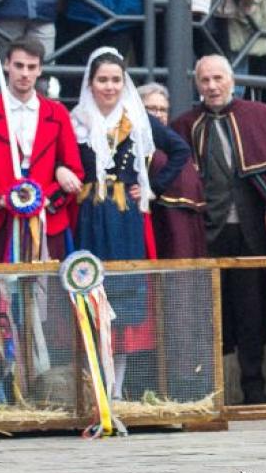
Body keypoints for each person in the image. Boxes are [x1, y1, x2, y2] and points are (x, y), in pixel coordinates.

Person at [170, 56, 266, 404]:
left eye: (217, 79)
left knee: (252, 309)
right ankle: (212, 387)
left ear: (231, 80)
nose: (212, 86)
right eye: (205, 80)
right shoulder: (184, 125)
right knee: (207, 311)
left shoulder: (261, 117)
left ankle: (255, 385)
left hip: (252, 231)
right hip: (206, 233)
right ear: (197, 84)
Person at [64, 49, 189, 399]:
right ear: (91, 82)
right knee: (91, 289)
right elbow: (62, 158)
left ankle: (117, 389)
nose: (109, 86)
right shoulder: (76, 121)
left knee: (125, 299)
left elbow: (180, 151)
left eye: (116, 79)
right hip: (89, 215)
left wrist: (152, 186)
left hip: (124, 216)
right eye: (102, 79)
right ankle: (95, 386)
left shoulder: (136, 119)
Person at [0, 37, 82, 262]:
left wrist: (46, 200)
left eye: (31, 67)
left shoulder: (57, 113)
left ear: (40, 70)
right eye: (19, 66)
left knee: (45, 291)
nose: (25, 73)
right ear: (7, 65)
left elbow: (75, 169)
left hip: (46, 217)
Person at [137, 83, 207, 260]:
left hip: (179, 226)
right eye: (151, 108)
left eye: (163, 109)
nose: (158, 114)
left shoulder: (176, 145)